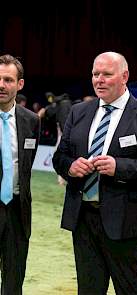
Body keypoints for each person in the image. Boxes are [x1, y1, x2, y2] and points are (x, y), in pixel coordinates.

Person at [52, 51, 137, 294]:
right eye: (95, 74)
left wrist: (120, 167)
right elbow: (59, 156)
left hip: (125, 221)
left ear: (124, 76)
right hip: (82, 218)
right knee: (89, 289)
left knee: (129, 289)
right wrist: (71, 167)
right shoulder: (78, 111)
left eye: (107, 74)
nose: (99, 80)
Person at [0, 54, 40, 294]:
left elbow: (27, 165)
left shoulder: (32, 121)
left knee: (14, 281)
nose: (1, 85)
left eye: (8, 79)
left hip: (18, 211)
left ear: (20, 84)